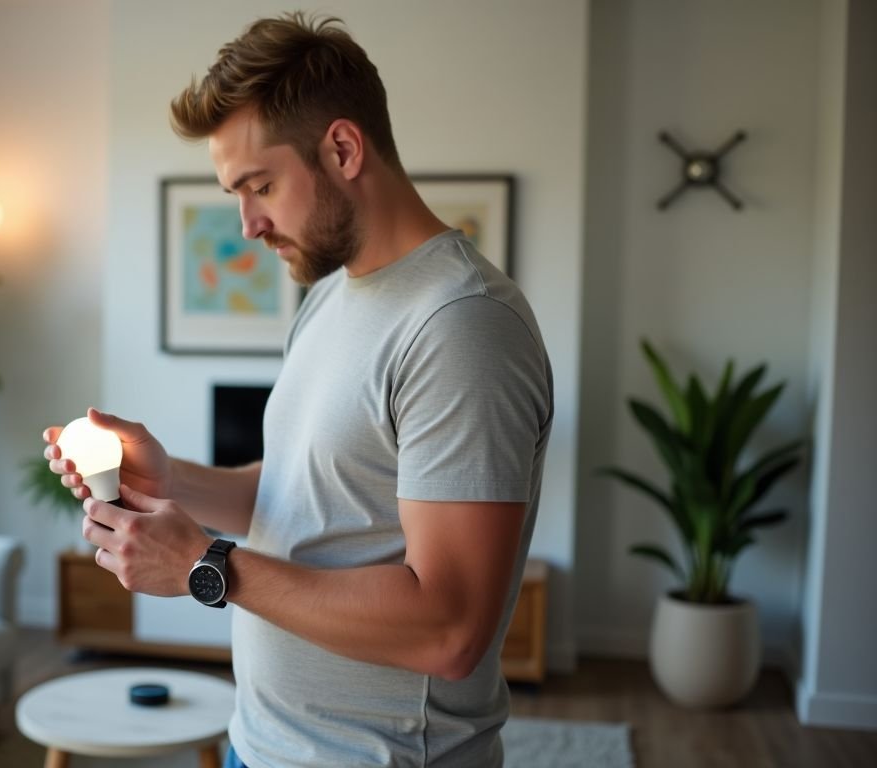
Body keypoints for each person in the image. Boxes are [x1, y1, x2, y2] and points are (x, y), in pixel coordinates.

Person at [43, 12, 552, 768]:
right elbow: (302, 495)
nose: (247, 225)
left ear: (343, 148)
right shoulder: (329, 299)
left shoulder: (461, 326)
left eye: (261, 186)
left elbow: (449, 629)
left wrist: (202, 566)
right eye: (235, 193)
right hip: (264, 744)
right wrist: (171, 477)